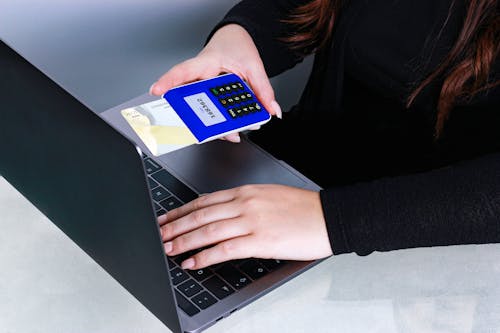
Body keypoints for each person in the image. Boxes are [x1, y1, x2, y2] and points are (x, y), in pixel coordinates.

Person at [149, 0, 500, 271]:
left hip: (418, 242)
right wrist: (238, 39)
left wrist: (328, 220)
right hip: (286, 183)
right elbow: (296, 8)